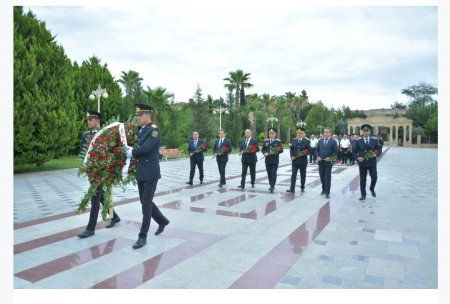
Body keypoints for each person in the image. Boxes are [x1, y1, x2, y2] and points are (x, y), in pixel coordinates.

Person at [126, 104, 170, 249]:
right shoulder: (140, 130)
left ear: (147, 115)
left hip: (150, 173)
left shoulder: (154, 131)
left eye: (140, 115)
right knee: (145, 201)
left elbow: (145, 148)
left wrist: (131, 152)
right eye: (137, 115)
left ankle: (142, 236)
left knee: (146, 203)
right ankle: (162, 220)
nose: (138, 118)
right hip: (141, 172)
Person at [78, 110, 121, 238]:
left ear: (97, 121)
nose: (88, 121)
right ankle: (115, 217)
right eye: (87, 120)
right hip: (92, 171)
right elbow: (83, 153)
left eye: (91, 119)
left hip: (103, 171)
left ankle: (90, 229)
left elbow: (112, 152)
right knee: (100, 195)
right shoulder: (85, 135)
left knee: (94, 197)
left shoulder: (106, 134)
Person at [353, 124, 382, 201]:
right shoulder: (358, 141)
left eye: (367, 131)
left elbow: (379, 150)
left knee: (374, 177)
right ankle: (363, 194)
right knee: (363, 179)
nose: (366, 132)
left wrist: (374, 154)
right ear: (362, 132)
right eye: (364, 131)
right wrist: (357, 157)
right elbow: (354, 151)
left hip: (372, 162)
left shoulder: (374, 140)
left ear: (370, 131)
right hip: (362, 163)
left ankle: (372, 188)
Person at [287, 127, 311, 194]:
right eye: (297, 133)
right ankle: (292, 188)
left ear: (303, 134)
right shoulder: (294, 140)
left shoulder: (307, 141)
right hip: (295, 161)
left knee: (303, 175)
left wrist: (304, 152)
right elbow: (291, 150)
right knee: (293, 174)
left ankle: (302, 186)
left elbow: (310, 150)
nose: (298, 134)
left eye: (300, 133)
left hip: (303, 161)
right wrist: (291, 156)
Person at [316, 127, 338, 199]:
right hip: (320, 162)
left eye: (327, 132)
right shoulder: (320, 141)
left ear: (330, 133)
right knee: (322, 177)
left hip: (328, 162)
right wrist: (317, 156)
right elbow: (316, 151)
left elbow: (335, 152)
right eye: (325, 132)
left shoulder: (333, 142)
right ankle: (323, 189)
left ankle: (327, 192)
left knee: (327, 177)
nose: (326, 133)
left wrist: (330, 158)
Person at [261, 127, 283, 193]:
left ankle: (272, 186)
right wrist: (264, 153)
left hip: (274, 160)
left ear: (275, 134)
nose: (271, 135)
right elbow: (263, 149)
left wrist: (275, 152)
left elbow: (281, 150)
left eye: (272, 134)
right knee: (269, 173)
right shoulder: (266, 141)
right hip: (267, 160)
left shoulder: (278, 142)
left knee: (273, 172)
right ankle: (271, 184)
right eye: (270, 134)